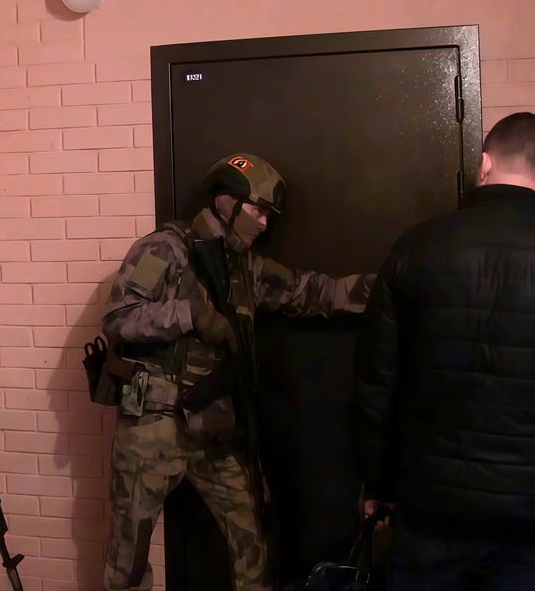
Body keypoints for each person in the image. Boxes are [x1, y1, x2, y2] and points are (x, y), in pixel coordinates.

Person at [101, 153, 375, 591]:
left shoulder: (245, 265)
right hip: (154, 424)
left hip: (216, 424)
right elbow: (119, 316)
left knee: (255, 546)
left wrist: (388, 288)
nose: (265, 223)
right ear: (227, 201)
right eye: (259, 210)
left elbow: (313, 292)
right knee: (127, 560)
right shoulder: (166, 248)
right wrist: (190, 314)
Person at [354, 112, 535, 589]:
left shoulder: (417, 246)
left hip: (430, 506)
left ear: (484, 164)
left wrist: (377, 482)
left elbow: (377, 381)